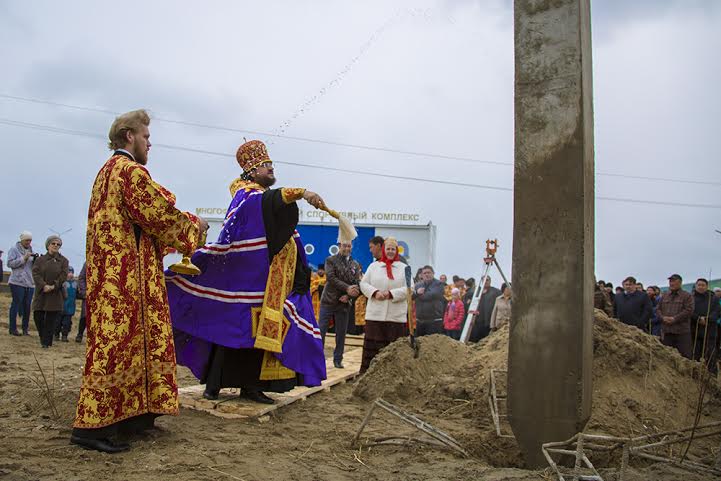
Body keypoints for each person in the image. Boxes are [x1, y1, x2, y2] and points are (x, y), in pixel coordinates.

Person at [71, 109, 208, 454]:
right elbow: (159, 214)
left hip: (115, 278)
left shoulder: (105, 173)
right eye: (146, 136)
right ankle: (91, 429)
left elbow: (136, 228)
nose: (151, 143)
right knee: (115, 350)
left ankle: (133, 418)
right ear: (129, 136)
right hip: (127, 281)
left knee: (129, 345)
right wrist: (195, 227)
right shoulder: (130, 171)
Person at [167, 139, 327, 403]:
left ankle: (251, 387)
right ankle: (214, 384)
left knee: (251, 332)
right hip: (241, 277)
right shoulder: (246, 194)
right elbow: (264, 204)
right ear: (252, 171)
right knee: (231, 327)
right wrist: (301, 193)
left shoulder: (256, 194)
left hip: (264, 279)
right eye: (266, 166)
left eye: (271, 165)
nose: (271, 170)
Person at [359, 237, 409, 373]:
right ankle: (367, 375)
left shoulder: (404, 268)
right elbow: (363, 284)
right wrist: (374, 292)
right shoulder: (373, 267)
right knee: (372, 350)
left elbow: (410, 288)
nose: (391, 251)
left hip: (396, 318)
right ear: (383, 250)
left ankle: (393, 376)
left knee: (394, 350)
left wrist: (391, 294)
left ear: (397, 251)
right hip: (375, 316)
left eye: (393, 249)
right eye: (388, 249)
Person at [319, 241, 362, 368]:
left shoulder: (356, 264)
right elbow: (331, 278)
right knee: (321, 331)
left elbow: (358, 283)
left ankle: (338, 359)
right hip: (328, 301)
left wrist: (349, 295)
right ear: (339, 246)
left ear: (351, 247)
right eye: (344, 246)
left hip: (344, 303)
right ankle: (317, 359)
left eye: (349, 246)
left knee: (341, 333)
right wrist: (348, 288)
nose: (346, 248)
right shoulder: (330, 260)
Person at [32, 235, 69, 348]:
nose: (56, 246)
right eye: (53, 243)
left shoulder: (63, 261)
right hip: (41, 292)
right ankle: (43, 338)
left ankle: (46, 343)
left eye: (58, 244)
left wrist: (53, 286)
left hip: (55, 292)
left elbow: (63, 275)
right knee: (38, 316)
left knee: (51, 319)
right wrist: (43, 285)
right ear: (48, 245)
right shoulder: (40, 260)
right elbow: (35, 273)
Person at [656, 274, 694, 359]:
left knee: (685, 357)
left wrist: (675, 319)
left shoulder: (687, 296)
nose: (671, 283)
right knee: (666, 357)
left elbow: (689, 310)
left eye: (674, 281)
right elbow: (658, 309)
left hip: (681, 332)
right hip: (667, 331)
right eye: (670, 281)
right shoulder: (664, 295)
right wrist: (662, 317)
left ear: (680, 283)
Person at [7, 231, 36, 336]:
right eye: (27, 240)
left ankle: (25, 329)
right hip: (17, 282)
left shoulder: (31, 250)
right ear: (22, 240)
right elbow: (10, 263)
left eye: (30, 240)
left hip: (29, 283)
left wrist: (36, 260)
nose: (29, 242)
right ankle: (13, 328)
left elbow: (33, 268)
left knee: (27, 306)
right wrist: (23, 258)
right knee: (16, 304)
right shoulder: (14, 249)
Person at [690, 278, 720, 373]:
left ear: (707, 286)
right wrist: (698, 319)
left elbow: (717, 312)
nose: (701, 287)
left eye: (703, 285)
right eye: (699, 285)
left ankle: (712, 375)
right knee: (695, 352)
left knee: (710, 353)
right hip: (695, 329)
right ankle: (695, 372)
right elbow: (689, 311)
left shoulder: (714, 298)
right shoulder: (691, 298)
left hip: (709, 329)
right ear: (696, 286)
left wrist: (707, 319)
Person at [413, 265, 445, 336]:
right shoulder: (418, 285)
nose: (427, 274)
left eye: (429, 272)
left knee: (433, 345)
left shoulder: (439, 284)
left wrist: (418, 295)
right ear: (422, 275)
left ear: (433, 273)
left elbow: (429, 296)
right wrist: (417, 293)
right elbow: (411, 296)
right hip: (420, 321)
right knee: (420, 343)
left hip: (434, 321)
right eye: (424, 273)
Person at [469, 277, 502, 342]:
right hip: (478, 321)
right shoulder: (477, 292)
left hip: (489, 320)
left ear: (490, 281)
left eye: (487, 280)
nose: (486, 281)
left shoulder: (495, 291)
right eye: (484, 280)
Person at [55, 266, 77, 342]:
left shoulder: (75, 284)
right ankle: (56, 335)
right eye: (68, 272)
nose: (70, 274)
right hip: (60, 306)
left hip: (70, 307)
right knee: (57, 322)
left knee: (67, 323)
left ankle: (64, 336)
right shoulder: (62, 283)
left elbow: (78, 293)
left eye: (71, 272)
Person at [75, 262, 87, 343]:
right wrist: (84, 291)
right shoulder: (88, 262)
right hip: (88, 294)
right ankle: (80, 334)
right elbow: (82, 278)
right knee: (85, 315)